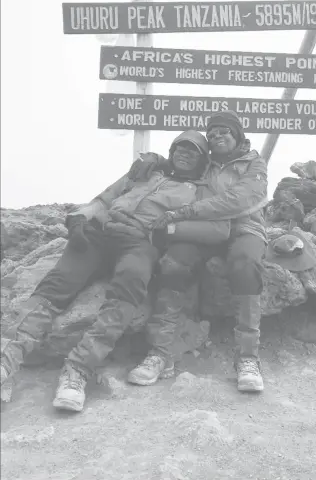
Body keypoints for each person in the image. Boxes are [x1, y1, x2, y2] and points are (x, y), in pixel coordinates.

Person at [0, 131, 230, 412]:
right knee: (58, 284)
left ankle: (78, 371)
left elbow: (217, 228)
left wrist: (165, 232)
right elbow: (104, 199)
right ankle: (6, 361)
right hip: (101, 233)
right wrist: (79, 219)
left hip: (140, 241)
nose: (184, 153)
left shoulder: (202, 188)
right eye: (179, 147)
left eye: (193, 151)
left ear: (202, 158)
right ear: (171, 151)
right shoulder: (144, 171)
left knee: (129, 286)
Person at [127, 110, 268, 393]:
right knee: (174, 263)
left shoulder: (254, 164)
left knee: (245, 265)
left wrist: (187, 211)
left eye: (224, 132)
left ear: (237, 134)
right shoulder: (205, 162)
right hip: (203, 231)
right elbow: (178, 164)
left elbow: (239, 200)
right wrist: (154, 158)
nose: (217, 137)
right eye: (213, 134)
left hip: (244, 229)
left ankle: (248, 357)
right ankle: (160, 353)